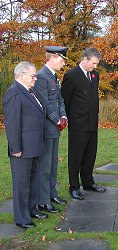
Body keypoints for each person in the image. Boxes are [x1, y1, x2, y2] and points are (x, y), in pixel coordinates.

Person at [3, 61, 48, 229]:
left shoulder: (31, 91)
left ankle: (32, 208)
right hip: (22, 148)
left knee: (32, 180)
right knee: (21, 184)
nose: (35, 78)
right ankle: (22, 218)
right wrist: (16, 148)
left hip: (34, 146)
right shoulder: (14, 92)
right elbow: (12, 122)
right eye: (32, 75)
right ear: (22, 75)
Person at [61, 47, 106, 200]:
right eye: (93, 63)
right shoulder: (71, 76)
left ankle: (88, 182)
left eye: (96, 64)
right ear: (85, 60)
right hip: (77, 124)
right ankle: (74, 187)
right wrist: (66, 119)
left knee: (90, 155)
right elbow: (65, 100)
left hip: (92, 122)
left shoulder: (95, 75)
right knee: (76, 156)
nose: (95, 66)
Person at [33, 46, 68, 213]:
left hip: (55, 128)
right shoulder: (41, 77)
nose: (62, 64)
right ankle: (43, 200)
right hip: (47, 128)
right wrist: (56, 120)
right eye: (61, 61)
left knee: (53, 164)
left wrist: (63, 117)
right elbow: (44, 104)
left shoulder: (54, 76)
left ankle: (52, 193)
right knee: (44, 166)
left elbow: (60, 99)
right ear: (52, 58)